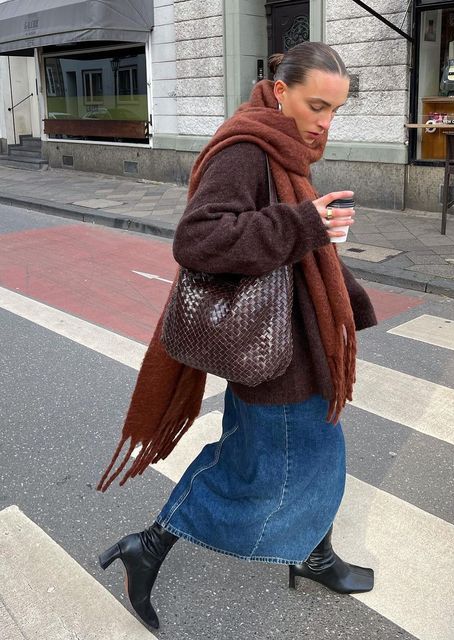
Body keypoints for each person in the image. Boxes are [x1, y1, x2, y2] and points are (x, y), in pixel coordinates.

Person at [97, 41, 377, 630]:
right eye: (317, 105)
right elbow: (197, 239)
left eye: (336, 111)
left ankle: (313, 554)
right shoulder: (248, 149)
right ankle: (144, 548)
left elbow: (288, 240)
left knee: (307, 457)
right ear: (280, 92)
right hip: (274, 353)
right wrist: (303, 223)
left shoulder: (281, 144)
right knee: (260, 469)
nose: (325, 122)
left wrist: (321, 242)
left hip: (291, 341)